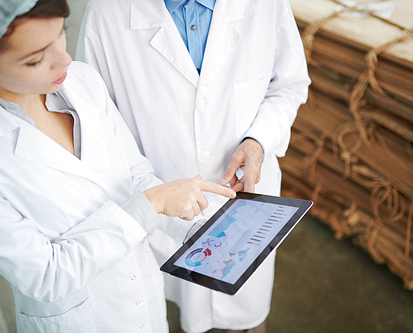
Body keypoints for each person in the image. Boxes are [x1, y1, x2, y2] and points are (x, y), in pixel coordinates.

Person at [0, 1, 236, 332]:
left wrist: (194, 230)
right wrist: (150, 205)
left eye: (62, 33)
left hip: (144, 299)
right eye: (35, 59)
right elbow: (47, 275)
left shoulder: (82, 81)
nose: (64, 59)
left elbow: (135, 175)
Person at [76, 0, 311, 332]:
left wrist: (258, 140)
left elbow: (288, 85)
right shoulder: (108, 12)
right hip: (164, 202)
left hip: (248, 200)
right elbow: (96, 119)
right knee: (182, 310)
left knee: (249, 315)